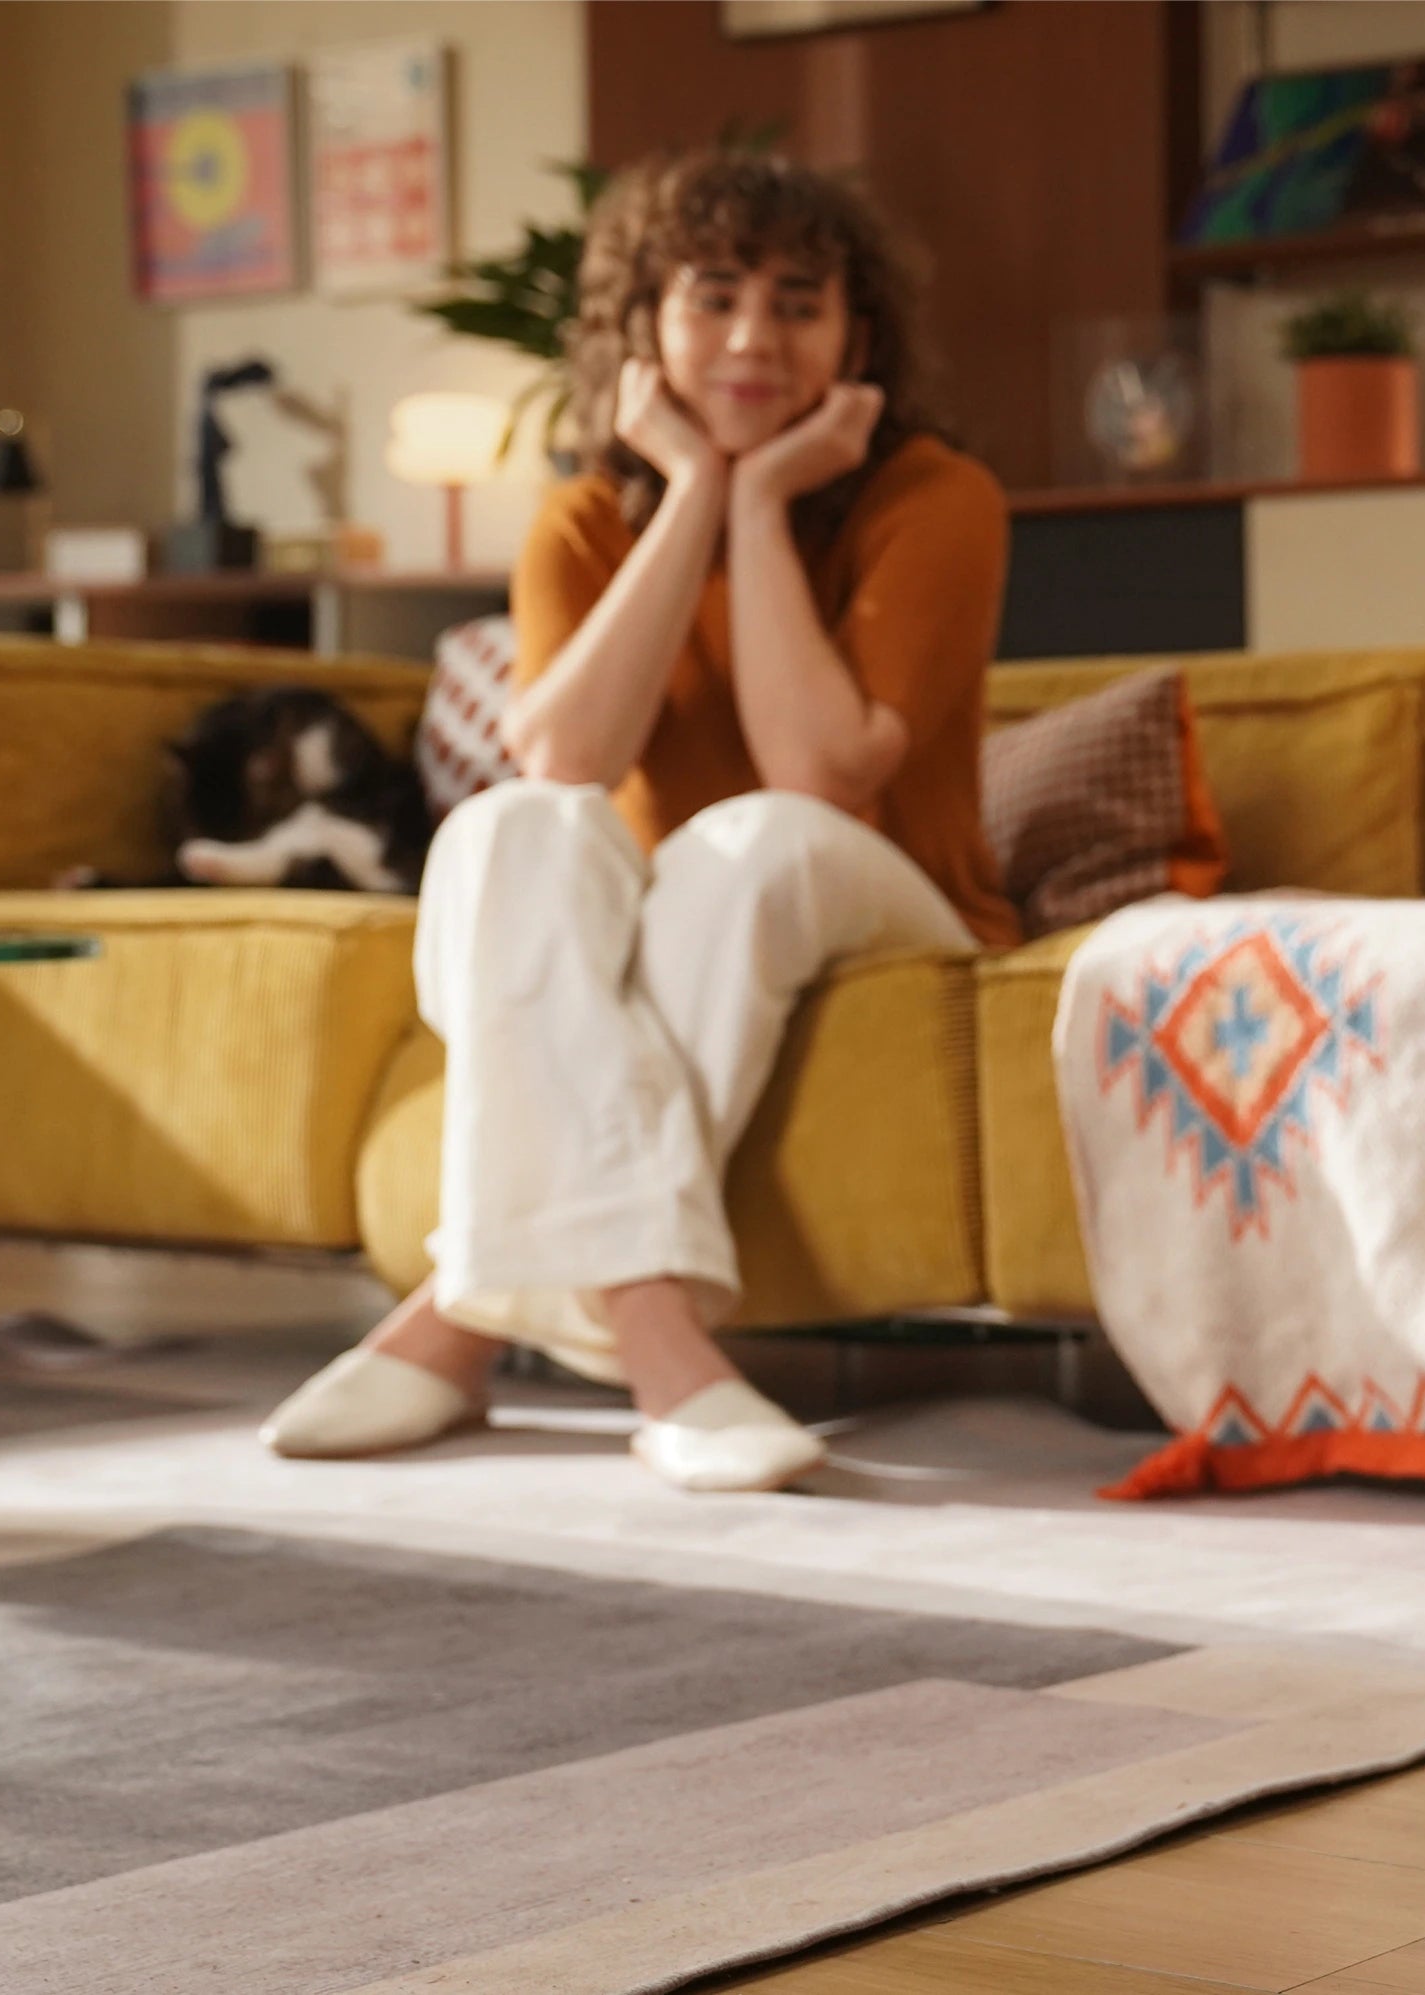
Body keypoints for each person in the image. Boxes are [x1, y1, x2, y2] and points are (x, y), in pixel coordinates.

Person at [259, 149, 1017, 1489]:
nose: (753, 337)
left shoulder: (937, 497)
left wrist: (762, 503)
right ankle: (665, 1350)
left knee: (754, 840)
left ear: (857, 338)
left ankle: (456, 1319)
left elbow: (821, 775)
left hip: (895, 907)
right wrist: (693, 497)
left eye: (797, 304)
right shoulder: (581, 520)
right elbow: (564, 757)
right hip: (684, 912)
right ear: (643, 328)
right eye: (712, 298)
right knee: (512, 831)